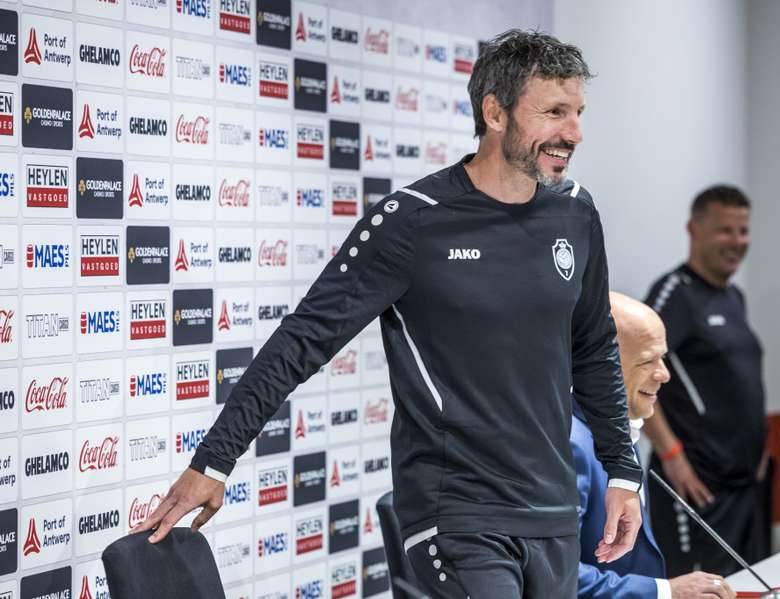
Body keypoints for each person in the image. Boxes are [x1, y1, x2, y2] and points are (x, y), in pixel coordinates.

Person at [136, 29, 644, 598]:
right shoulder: (412, 221)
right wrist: (214, 460)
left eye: (577, 112)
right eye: (554, 112)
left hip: (552, 514)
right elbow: (302, 340)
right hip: (455, 515)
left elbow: (594, 347)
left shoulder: (575, 212)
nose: (573, 133)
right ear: (496, 113)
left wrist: (623, 472)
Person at [571, 291, 737, 599]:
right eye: (648, 361)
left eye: (663, 358)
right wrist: (664, 592)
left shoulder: (619, 429)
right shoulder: (570, 445)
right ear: (597, 366)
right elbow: (552, 576)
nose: (665, 374)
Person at [643, 185, 767, 576]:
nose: (737, 242)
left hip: (743, 487)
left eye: (743, 231)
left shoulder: (735, 297)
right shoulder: (673, 294)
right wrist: (672, 455)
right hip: (696, 488)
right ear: (694, 230)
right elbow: (627, 372)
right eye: (725, 231)